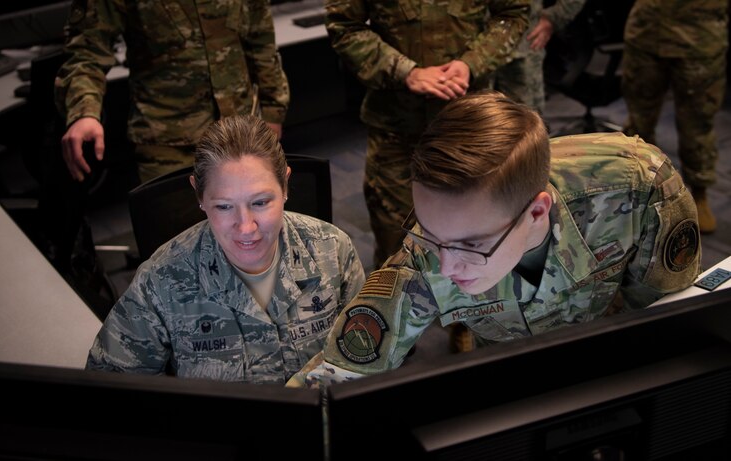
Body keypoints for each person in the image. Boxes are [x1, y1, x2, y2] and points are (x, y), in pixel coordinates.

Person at [287, 90, 701, 387]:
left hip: (612, 362)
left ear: (536, 211)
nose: (446, 268)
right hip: (504, 376)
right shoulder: (426, 257)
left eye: (470, 246)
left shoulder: (638, 185)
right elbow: (337, 372)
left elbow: (668, 315)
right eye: (430, 234)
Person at [86, 115, 366, 384]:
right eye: (223, 206)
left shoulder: (333, 251)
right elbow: (112, 385)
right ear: (199, 195)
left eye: (260, 202)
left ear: (285, 185)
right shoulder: (161, 280)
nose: (245, 227)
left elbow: (368, 355)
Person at [324, 0, 531, 269]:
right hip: (396, 130)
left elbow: (513, 14)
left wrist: (472, 63)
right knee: (398, 243)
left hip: (468, 126)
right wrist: (404, 72)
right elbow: (344, 26)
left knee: (474, 239)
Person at [55, 0, 290, 183]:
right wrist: (84, 112)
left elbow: (261, 37)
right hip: (168, 141)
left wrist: (273, 108)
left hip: (241, 131)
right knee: (175, 238)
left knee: (249, 232)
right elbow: (87, 52)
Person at [621, 0, 729, 234]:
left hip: (699, 40)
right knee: (640, 121)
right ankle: (638, 191)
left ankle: (699, 192)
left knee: (697, 123)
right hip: (646, 33)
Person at [494, 0, 587, 113]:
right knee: (478, 119)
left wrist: (553, 18)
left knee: (526, 119)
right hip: (476, 54)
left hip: (521, 51)